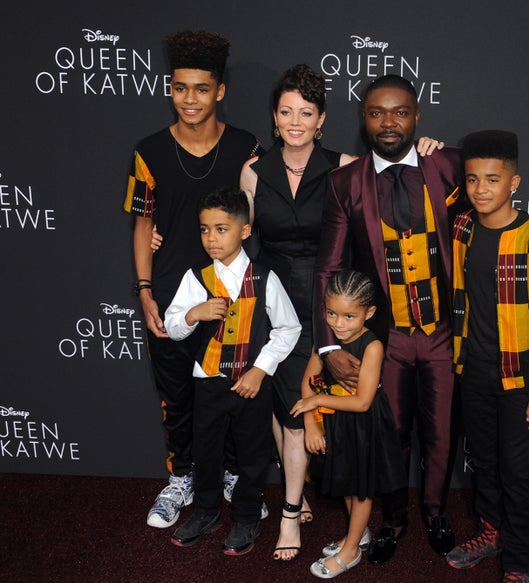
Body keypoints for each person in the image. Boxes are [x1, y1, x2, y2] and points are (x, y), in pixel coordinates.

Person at [312, 75, 529, 564]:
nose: (389, 122)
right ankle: (392, 519)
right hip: (384, 339)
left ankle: (434, 511)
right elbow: (329, 266)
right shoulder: (344, 182)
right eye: (376, 113)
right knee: (389, 433)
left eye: (400, 112)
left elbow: (510, 216)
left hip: (448, 338)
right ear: (363, 119)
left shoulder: (451, 163)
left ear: (417, 116)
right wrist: (329, 347)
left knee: (443, 433)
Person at [236, 64, 442, 561]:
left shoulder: (346, 165)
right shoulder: (252, 170)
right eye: (286, 111)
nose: (295, 121)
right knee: (285, 405)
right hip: (275, 302)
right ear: (274, 116)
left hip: (333, 309)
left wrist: (429, 151)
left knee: (333, 407)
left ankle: (347, 510)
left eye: (305, 113)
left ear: (322, 119)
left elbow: (398, 186)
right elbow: (241, 236)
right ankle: (292, 505)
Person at [123, 29, 263, 529]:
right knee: (177, 396)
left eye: (201, 88)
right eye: (180, 88)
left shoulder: (248, 147)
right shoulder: (149, 151)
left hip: (232, 298)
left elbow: (285, 194)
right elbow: (143, 224)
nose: (190, 99)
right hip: (169, 295)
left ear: (220, 91)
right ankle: (181, 476)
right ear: (169, 88)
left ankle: (227, 473)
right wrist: (144, 293)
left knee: (230, 394)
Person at [444, 131, 529, 583]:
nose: (481, 189)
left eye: (492, 180)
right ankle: (491, 532)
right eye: (473, 179)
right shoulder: (461, 226)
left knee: (517, 472)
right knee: (486, 464)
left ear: (515, 183)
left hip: (522, 378)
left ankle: (519, 555)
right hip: (471, 372)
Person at [163, 186, 300, 555]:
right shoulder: (197, 277)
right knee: (206, 452)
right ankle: (206, 511)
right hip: (208, 383)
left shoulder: (264, 277)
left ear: (244, 230)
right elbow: (173, 323)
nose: (211, 238)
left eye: (221, 229)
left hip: (252, 385)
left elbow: (290, 328)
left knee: (253, 454)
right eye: (205, 229)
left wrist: (261, 369)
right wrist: (194, 314)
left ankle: (246, 517)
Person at [290, 270, 405, 579]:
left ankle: (351, 550)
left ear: (369, 313)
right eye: (331, 313)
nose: (338, 323)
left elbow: (362, 401)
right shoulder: (326, 343)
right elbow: (307, 383)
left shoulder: (372, 347)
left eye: (349, 316)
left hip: (364, 426)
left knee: (362, 488)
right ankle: (359, 534)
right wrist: (313, 427)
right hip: (335, 424)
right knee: (345, 482)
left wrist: (316, 402)